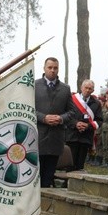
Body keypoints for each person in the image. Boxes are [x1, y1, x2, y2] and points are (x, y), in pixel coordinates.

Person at [35, 58, 75, 187]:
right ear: (44, 68)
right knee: (36, 178)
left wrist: (61, 118)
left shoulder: (65, 88)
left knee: (48, 176)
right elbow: (27, 110)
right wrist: (43, 118)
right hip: (37, 138)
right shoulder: (34, 86)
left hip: (55, 139)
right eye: (50, 67)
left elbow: (72, 112)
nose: (52, 70)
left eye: (55, 68)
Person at [65, 79, 103, 171]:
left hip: (85, 138)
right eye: (86, 88)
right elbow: (66, 116)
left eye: (90, 89)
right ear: (81, 88)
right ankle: (68, 183)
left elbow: (99, 121)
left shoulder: (96, 103)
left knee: (80, 165)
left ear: (93, 90)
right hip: (72, 136)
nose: (87, 90)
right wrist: (75, 123)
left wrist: (88, 126)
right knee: (70, 164)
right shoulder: (72, 99)